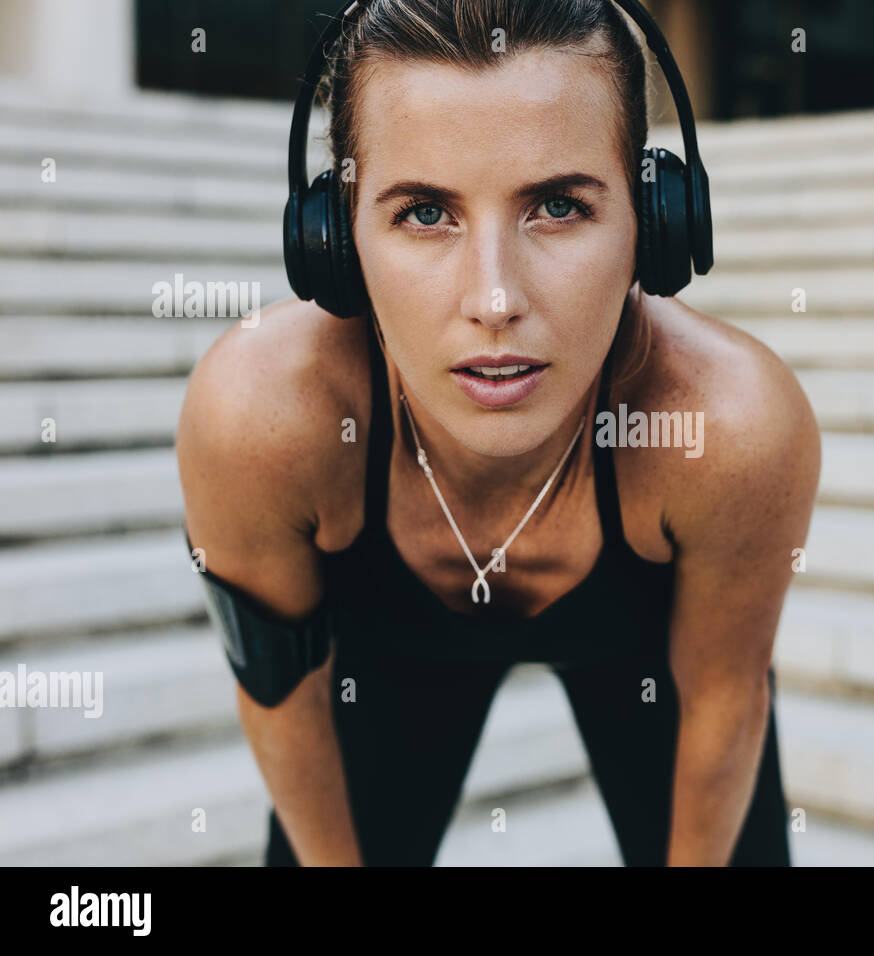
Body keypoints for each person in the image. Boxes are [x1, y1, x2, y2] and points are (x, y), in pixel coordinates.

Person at [176, 0, 820, 866]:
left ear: (653, 222)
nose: (494, 300)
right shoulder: (260, 417)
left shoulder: (729, 429)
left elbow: (724, 702)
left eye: (557, 205)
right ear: (333, 240)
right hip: (385, 660)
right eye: (424, 214)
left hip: (650, 654)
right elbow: (280, 698)